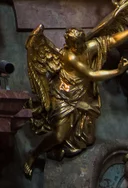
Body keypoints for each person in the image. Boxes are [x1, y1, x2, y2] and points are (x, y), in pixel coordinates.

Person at [24, 26, 128, 177]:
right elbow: (91, 74)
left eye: (82, 43)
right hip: (63, 95)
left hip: (81, 94)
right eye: (77, 45)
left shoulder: (87, 46)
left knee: (86, 137)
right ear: (70, 45)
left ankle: (62, 150)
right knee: (59, 136)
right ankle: (34, 154)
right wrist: (118, 71)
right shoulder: (69, 56)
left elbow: (112, 40)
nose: (80, 47)